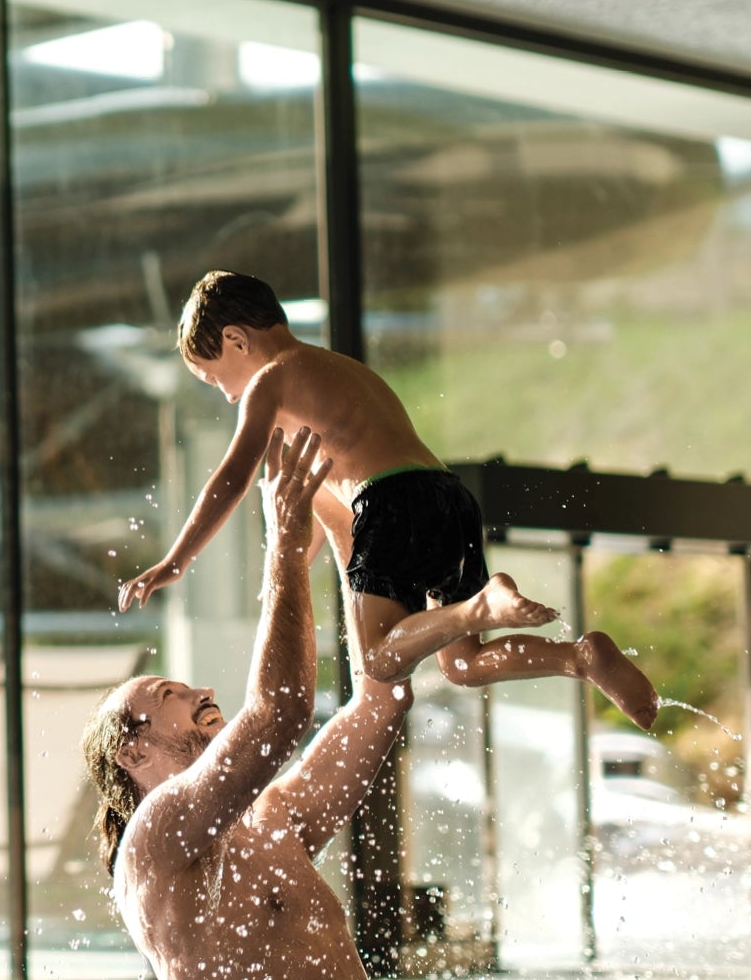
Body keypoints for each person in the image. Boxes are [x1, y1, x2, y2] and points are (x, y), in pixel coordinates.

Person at [117, 269, 659, 731]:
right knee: (463, 666)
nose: (227, 393)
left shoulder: (271, 382)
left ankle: (480, 607)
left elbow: (232, 476)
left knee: (380, 660)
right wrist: (286, 568)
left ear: (237, 340)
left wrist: (176, 560)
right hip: (449, 498)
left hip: (392, 501)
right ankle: (580, 658)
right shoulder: (340, 372)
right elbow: (313, 501)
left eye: (215, 378)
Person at [85, 425, 408, 980]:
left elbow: (381, 698)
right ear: (135, 754)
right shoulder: (155, 840)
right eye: (170, 697)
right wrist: (284, 548)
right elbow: (280, 712)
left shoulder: (273, 820)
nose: (202, 691)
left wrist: (349, 539)